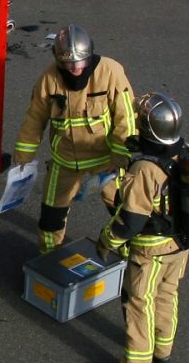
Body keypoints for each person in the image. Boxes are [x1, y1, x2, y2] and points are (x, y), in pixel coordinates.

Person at [96, 92, 189, 363]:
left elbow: (130, 221)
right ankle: (162, 349)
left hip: (151, 251)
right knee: (168, 293)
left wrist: (106, 241)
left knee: (138, 301)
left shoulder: (145, 169)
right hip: (181, 244)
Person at [11, 24, 136, 253]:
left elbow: (126, 117)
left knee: (124, 213)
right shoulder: (49, 79)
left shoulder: (110, 72)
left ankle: (129, 257)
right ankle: (48, 257)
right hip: (65, 161)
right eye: (69, 64)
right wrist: (23, 156)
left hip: (106, 161)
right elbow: (35, 118)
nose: (76, 68)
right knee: (51, 217)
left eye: (81, 62)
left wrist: (121, 155)